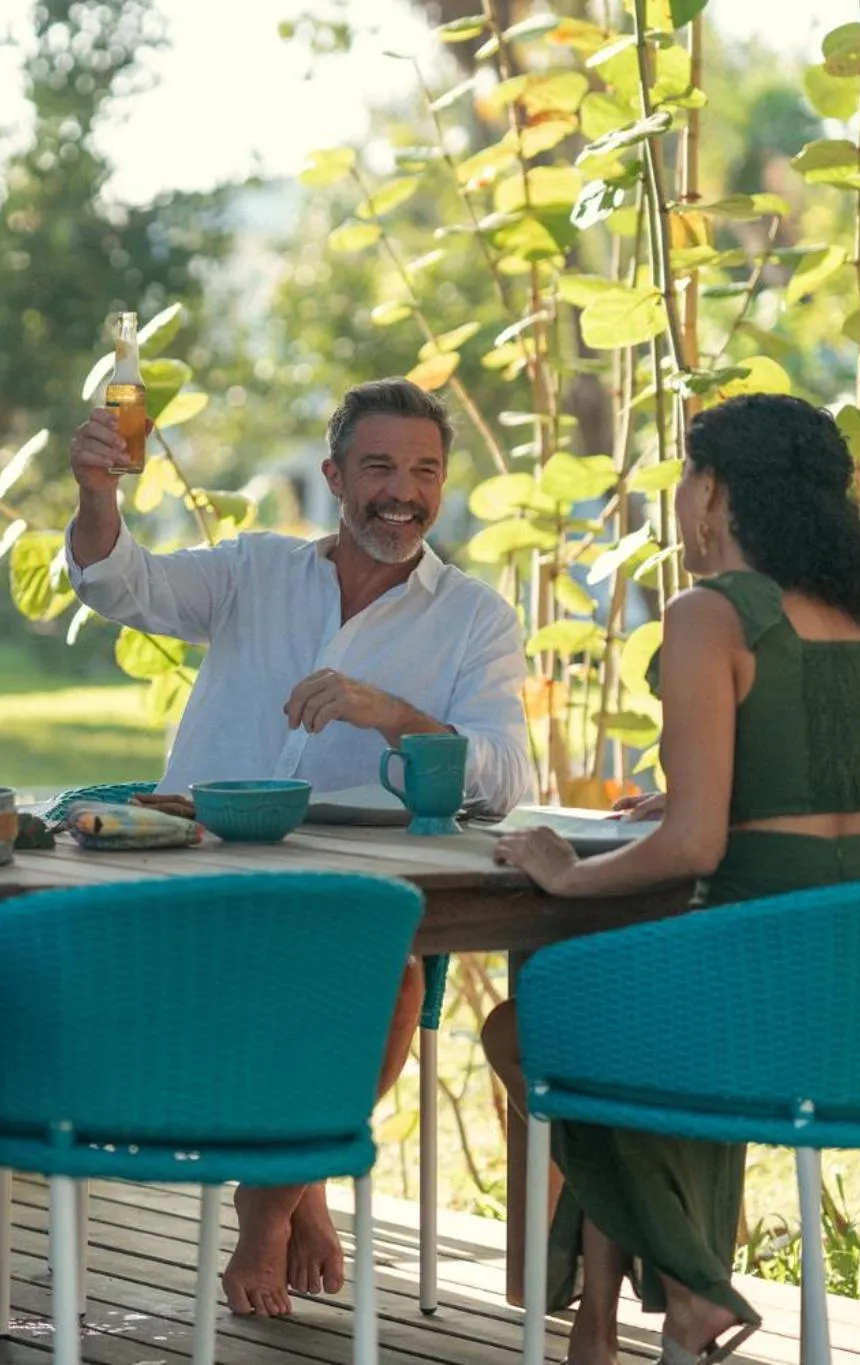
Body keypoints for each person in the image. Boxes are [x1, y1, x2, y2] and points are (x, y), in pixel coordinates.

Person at [65, 376, 534, 1318]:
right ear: (332, 474)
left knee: (394, 975)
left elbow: (504, 780)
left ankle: (267, 1204)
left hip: (351, 886)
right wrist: (97, 491)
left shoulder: (476, 615)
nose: (402, 491)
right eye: (378, 468)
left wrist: (391, 713)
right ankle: (301, 1189)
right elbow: (122, 583)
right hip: (202, 879)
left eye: (424, 470)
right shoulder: (256, 570)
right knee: (324, 988)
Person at [488, 392, 860, 1365]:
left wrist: (560, 874)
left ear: (713, 492)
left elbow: (692, 851)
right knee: (605, 1037)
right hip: (859, 990)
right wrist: (699, 790)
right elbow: (812, 795)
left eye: (685, 477)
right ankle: (597, 1333)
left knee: (528, 1028)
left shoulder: (707, 614)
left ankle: (691, 1287)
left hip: (751, 971)